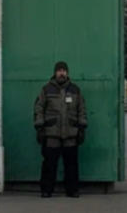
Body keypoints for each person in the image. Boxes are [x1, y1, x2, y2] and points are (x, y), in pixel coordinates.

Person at [33, 61, 87, 198]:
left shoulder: (75, 90)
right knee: (49, 164)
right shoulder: (46, 89)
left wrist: (82, 126)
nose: (61, 73)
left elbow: (81, 109)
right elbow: (39, 108)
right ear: (55, 73)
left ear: (67, 73)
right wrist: (40, 127)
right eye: (59, 70)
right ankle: (46, 190)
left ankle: (72, 190)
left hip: (70, 133)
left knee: (71, 164)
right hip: (52, 134)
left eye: (64, 70)